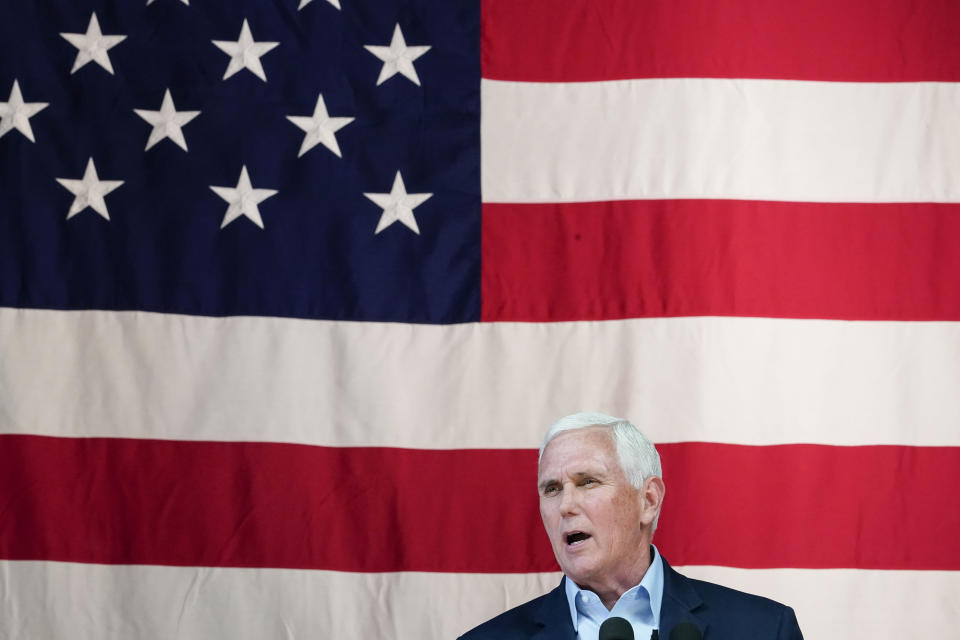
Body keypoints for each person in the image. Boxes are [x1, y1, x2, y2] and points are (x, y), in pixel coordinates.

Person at [458, 412, 803, 640]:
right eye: (552, 489)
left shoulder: (763, 629)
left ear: (648, 500)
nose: (565, 505)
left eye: (588, 482)